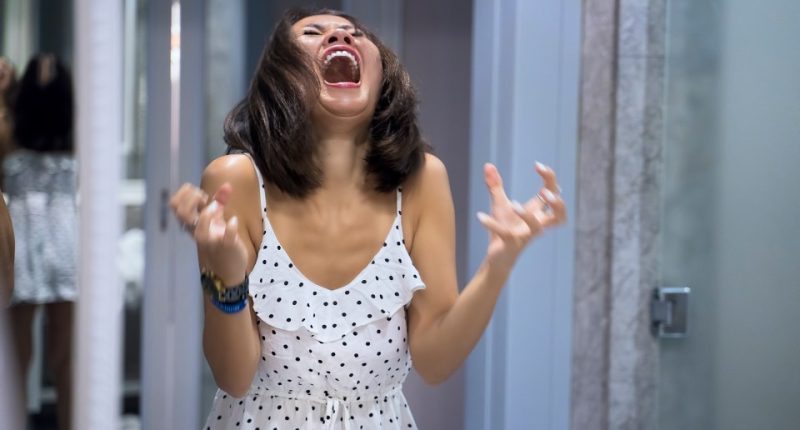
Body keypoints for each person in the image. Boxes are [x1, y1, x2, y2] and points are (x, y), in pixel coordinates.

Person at [170, 8, 566, 429]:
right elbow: (234, 378)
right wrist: (227, 279)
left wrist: (497, 266)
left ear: (382, 75)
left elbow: (434, 360)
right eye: (313, 32)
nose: (340, 36)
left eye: (353, 32)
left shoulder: (422, 180)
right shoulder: (236, 182)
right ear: (280, 76)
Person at [3, 54, 77, 430]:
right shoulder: (10, 134)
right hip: (33, 246)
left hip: (57, 246)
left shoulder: (74, 135)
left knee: (62, 358)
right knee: (18, 358)